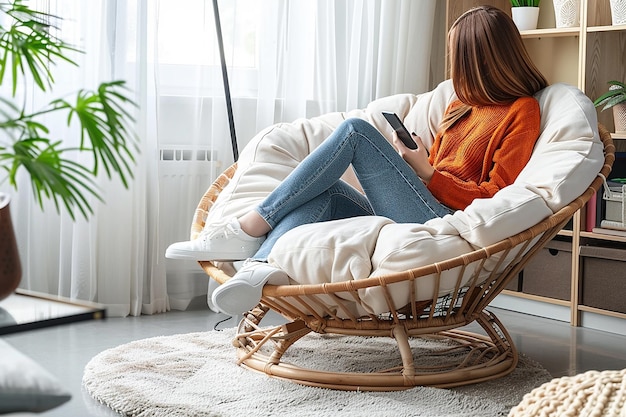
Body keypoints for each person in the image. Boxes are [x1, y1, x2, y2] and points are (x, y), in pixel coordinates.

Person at [166, 5, 548, 316]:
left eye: (459, 59)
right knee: (325, 191)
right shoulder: (462, 103)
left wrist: (425, 170)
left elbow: (496, 194)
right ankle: (257, 267)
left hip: (441, 217)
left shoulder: (522, 110)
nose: (454, 69)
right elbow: (447, 164)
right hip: (421, 198)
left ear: (481, 60)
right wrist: (418, 156)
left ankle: (248, 227)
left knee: (356, 131)